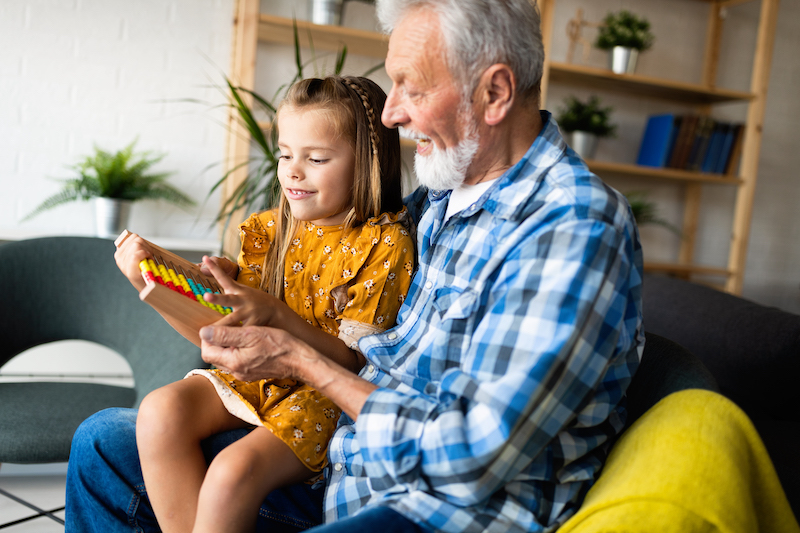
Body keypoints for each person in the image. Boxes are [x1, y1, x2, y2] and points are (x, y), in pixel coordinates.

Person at [65, 1, 645, 532]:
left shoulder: (570, 226)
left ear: (494, 93)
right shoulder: (442, 201)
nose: (389, 114)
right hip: (344, 463)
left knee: (218, 476)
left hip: (430, 507)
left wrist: (301, 358)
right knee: (102, 445)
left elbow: (471, 454)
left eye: (410, 88)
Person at [109, 75, 414, 533]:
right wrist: (150, 286)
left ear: (367, 163)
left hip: (321, 396)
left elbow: (355, 364)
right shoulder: (268, 231)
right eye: (285, 155)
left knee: (232, 474)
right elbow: (217, 339)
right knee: (159, 411)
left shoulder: (384, 244)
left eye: (316, 158)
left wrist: (279, 318)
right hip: (254, 377)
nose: (293, 171)